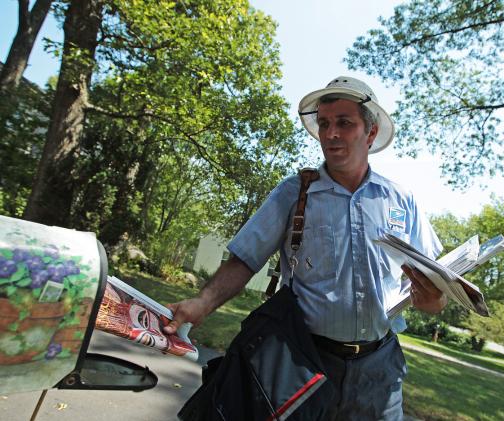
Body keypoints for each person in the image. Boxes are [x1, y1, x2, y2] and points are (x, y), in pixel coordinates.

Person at [165, 76, 448, 420]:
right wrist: (203, 302)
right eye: (324, 124)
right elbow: (244, 260)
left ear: (370, 133)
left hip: (379, 372)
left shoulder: (401, 200)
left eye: (344, 123)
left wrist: (434, 301)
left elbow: (435, 292)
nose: (330, 133)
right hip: (303, 364)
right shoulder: (294, 192)